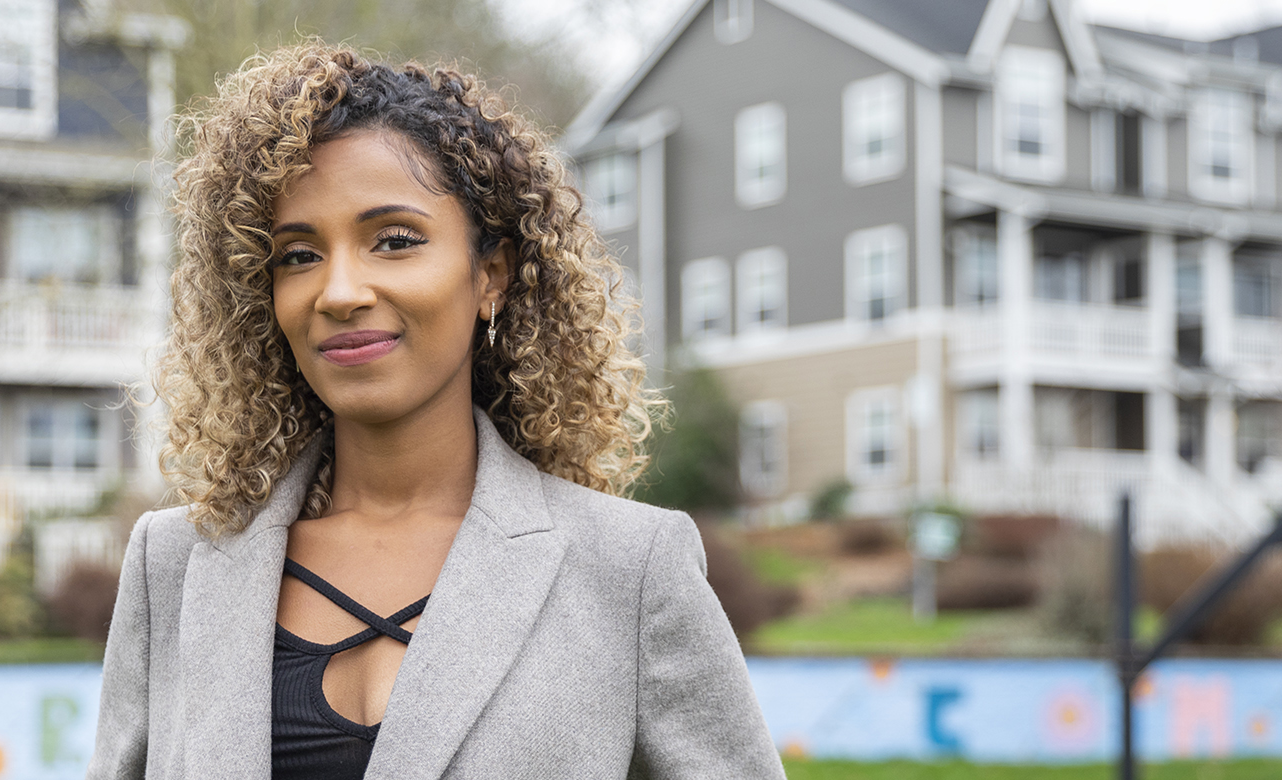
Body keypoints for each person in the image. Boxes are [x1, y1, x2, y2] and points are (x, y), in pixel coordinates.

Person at [87, 43, 786, 779]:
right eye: (298, 255)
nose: (339, 290)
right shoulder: (172, 568)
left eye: (394, 241)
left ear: (491, 275)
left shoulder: (631, 571)